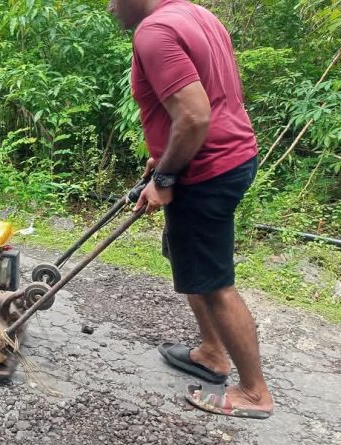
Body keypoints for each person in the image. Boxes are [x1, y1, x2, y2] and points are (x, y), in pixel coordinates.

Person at [108, 0, 274, 419]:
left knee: (215, 283)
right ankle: (211, 352)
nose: (109, 7)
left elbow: (196, 115)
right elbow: (206, 102)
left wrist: (164, 180)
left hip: (208, 168)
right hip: (224, 157)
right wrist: (164, 161)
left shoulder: (153, 32)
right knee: (191, 260)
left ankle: (254, 393)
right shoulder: (196, 14)